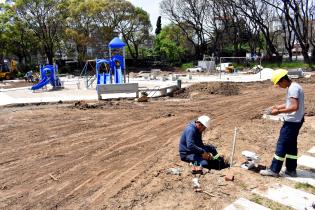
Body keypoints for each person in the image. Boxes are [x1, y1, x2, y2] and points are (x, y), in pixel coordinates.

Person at [260, 69, 304, 177]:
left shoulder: (293, 89)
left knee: (282, 144)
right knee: (291, 146)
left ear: (283, 79)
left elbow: (294, 107)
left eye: (279, 83)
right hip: (297, 121)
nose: (279, 86)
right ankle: (291, 169)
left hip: (291, 123)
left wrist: (278, 112)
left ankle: (274, 170)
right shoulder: (294, 86)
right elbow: (289, 104)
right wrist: (276, 107)